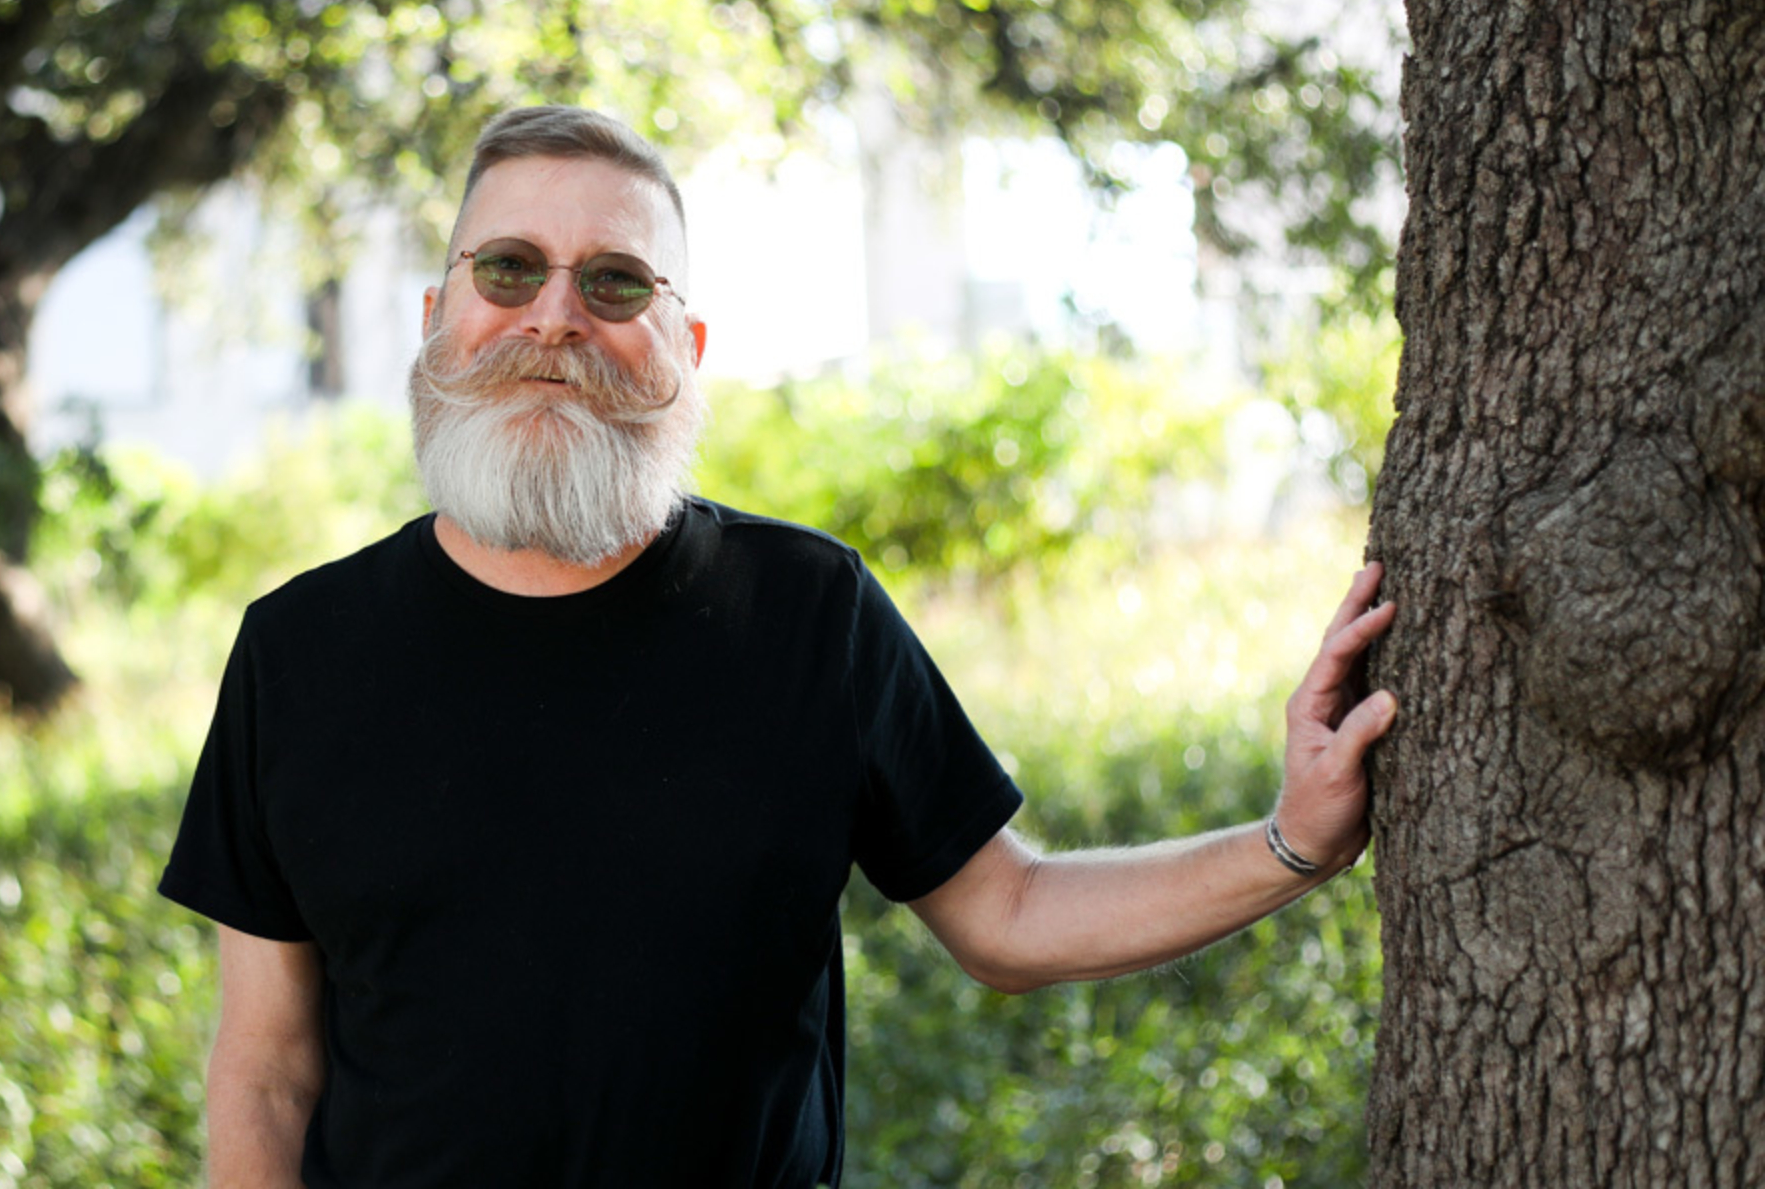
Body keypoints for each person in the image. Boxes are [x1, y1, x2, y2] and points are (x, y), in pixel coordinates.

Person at [157, 106, 1398, 1189]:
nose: (555, 319)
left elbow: (1010, 914)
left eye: (615, 283)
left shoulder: (809, 611)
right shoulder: (297, 651)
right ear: (439, 317)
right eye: (510, 267)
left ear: (682, 348)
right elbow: (264, 1073)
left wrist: (1292, 840)